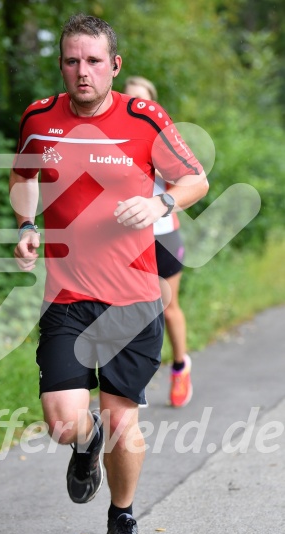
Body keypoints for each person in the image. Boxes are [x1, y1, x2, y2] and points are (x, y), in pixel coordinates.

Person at [10, 14, 208, 534]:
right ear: (61, 65)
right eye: (72, 60)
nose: (83, 72)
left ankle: (122, 518)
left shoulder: (143, 118)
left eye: (94, 61)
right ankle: (84, 440)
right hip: (66, 298)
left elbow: (196, 179)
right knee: (62, 421)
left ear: (114, 66)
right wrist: (26, 228)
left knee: (124, 420)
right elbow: (23, 179)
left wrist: (160, 201)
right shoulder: (39, 118)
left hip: (132, 298)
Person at [124, 76, 193, 408]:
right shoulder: (113, 137)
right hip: (126, 239)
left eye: (144, 100)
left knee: (167, 308)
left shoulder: (163, 137)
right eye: (131, 98)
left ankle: (180, 367)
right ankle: (134, 380)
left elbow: (185, 180)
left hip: (163, 233)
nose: (138, 105)